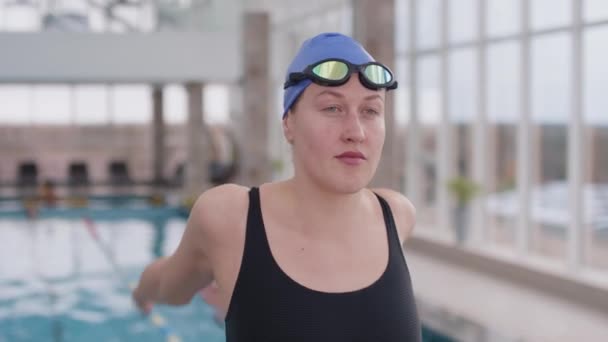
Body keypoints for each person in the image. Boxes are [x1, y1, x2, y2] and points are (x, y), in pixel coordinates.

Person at [133, 32, 421, 341]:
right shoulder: (232, 219)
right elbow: (168, 286)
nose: (356, 131)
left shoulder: (396, 214)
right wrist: (140, 294)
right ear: (289, 123)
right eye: (332, 109)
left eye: (370, 110)